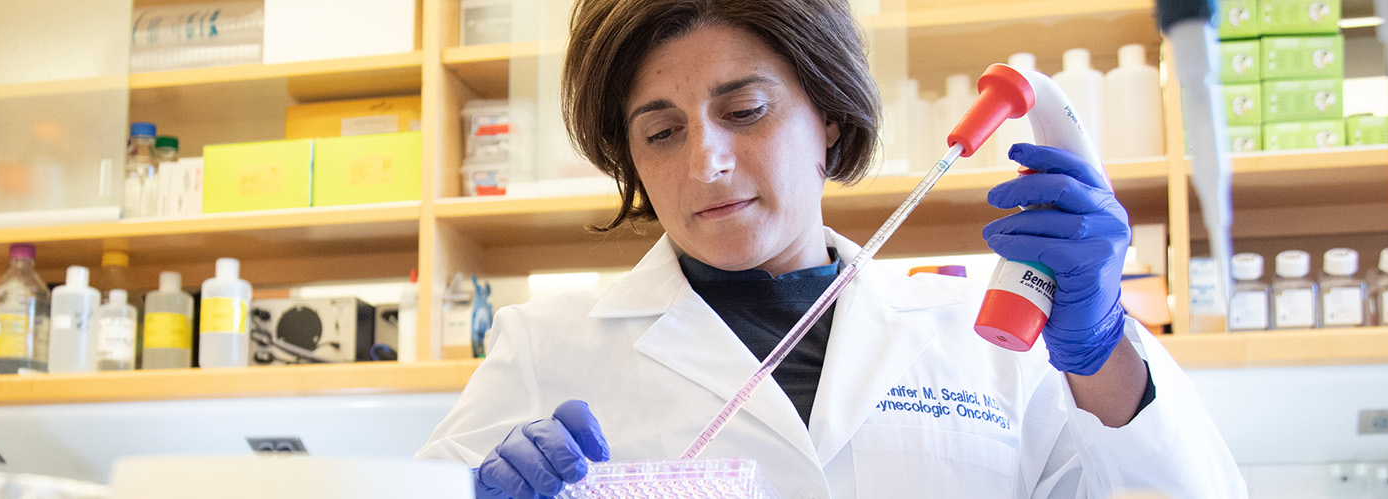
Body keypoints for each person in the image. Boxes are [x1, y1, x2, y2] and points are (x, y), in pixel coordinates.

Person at [415, 0, 1249, 497]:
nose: (705, 159)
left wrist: (1103, 352)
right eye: (661, 131)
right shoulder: (544, 351)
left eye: (744, 111)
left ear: (831, 118)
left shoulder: (981, 341)